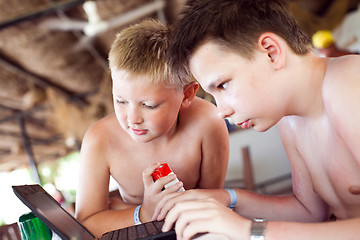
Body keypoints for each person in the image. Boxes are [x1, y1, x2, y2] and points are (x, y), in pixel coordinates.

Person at [151, 0, 360, 239]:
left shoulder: (349, 83)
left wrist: (249, 231)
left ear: (271, 52)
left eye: (223, 85)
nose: (221, 111)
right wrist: (226, 199)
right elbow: (310, 212)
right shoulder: (290, 120)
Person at [75, 19, 229, 238]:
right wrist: (144, 213)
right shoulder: (99, 140)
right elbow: (86, 224)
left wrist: (121, 211)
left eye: (149, 105)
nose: (132, 118)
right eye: (120, 100)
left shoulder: (208, 122)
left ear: (186, 95)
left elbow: (213, 200)